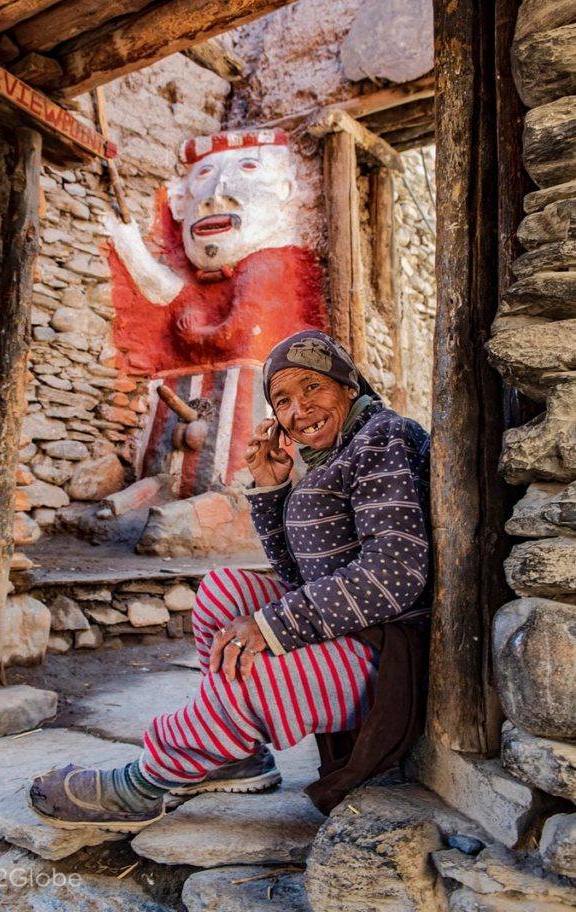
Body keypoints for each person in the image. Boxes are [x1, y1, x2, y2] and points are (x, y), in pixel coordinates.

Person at [29, 330, 431, 831]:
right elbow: (297, 577)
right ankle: (230, 756)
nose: (299, 409)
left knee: (257, 667)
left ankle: (151, 779)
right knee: (225, 590)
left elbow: (395, 576)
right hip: (349, 632)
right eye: (282, 399)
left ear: (348, 386)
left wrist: (272, 626)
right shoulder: (333, 454)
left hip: (391, 653)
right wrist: (271, 488)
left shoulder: (381, 438)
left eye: (312, 387)